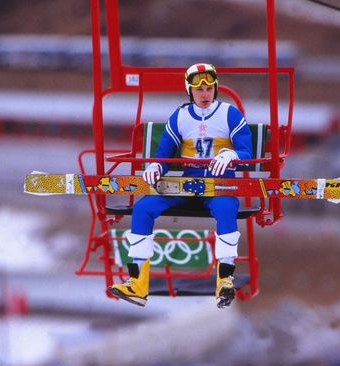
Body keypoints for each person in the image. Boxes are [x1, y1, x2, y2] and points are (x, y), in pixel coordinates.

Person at [108, 63, 253, 309]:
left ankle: (224, 279)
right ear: (190, 92)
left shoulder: (230, 114)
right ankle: (137, 282)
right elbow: (164, 154)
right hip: (185, 186)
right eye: (199, 90)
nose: (205, 94)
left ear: (216, 88)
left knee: (226, 210)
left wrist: (231, 156)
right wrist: (155, 166)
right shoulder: (180, 117)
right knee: (143, 208)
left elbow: (246, 152)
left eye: (209, 88)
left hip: (219, 186)